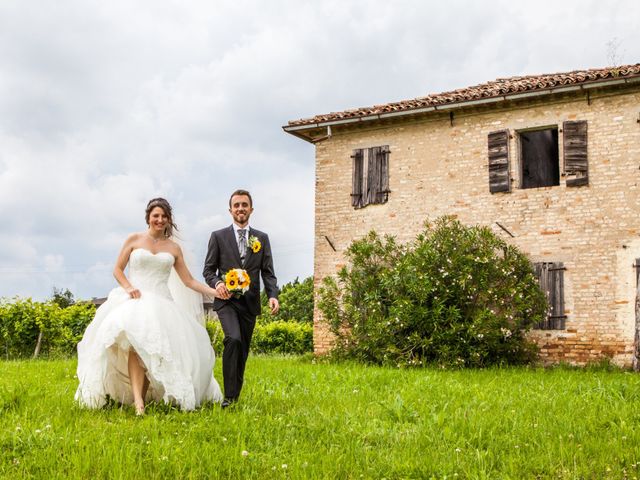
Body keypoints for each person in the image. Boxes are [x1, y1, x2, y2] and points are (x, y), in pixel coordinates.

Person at [75, 198, 227, 415]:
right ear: (148, 217)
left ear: (168, 220)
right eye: (156, 215)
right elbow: (117, 269)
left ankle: (147, 397)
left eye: (164, 216)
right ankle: (139, 404)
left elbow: (188, 281)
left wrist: (215, 291)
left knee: (150, 352)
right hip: (134, 301)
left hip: (161, 304)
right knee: (136, 349)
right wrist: (128, 287)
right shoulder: (134, 239)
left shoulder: (173, 248)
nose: (160, 220)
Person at [203, 189, 279, 408]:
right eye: (236, 205)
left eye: (244, 205)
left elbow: (268, 272)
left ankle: (234, 396)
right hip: (226, 301)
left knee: (243, 349)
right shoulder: (218, 237)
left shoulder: (262, 239)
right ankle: (228, 397)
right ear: (230, 210)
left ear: (251, 209)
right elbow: (208, 270)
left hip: (250, 303)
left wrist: (272, 295)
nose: (240, 209)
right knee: (233, 339)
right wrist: (218, 284)